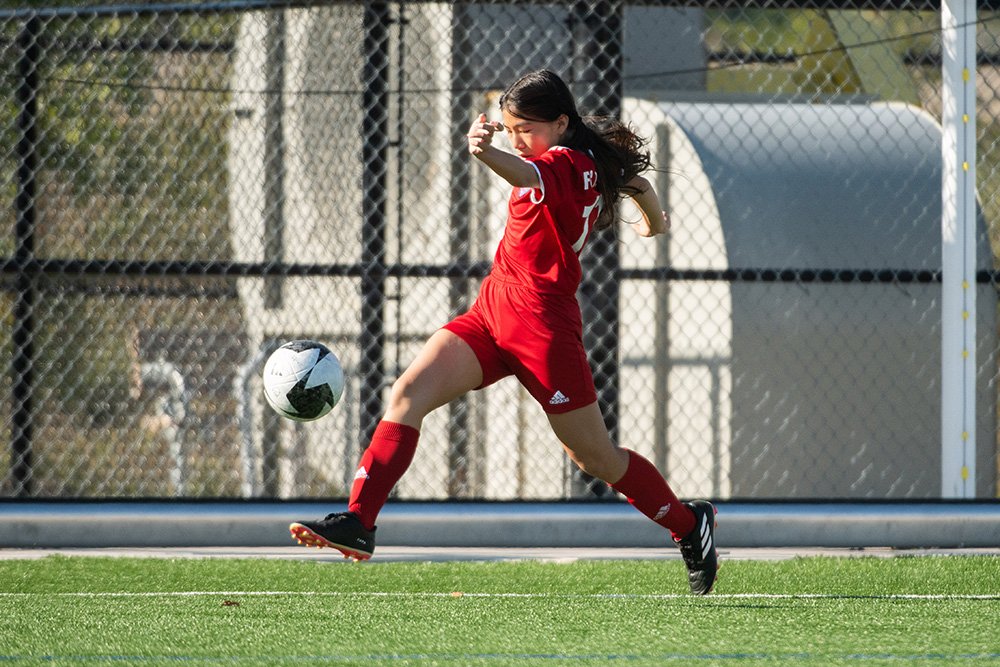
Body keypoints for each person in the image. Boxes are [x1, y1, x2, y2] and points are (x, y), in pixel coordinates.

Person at [290, 69, 718, 595]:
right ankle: (359, 521)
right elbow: (637, 184)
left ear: (561, 123)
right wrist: (655, 221)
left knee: (596, 458)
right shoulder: (587, 160)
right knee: (407, 394)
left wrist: (485, 151)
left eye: (527, 129)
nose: (518, 139)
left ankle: (688, 523)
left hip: (543, 328)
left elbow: (526, 174)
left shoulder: (563, 162)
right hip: (493, 311)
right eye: (510, 129)